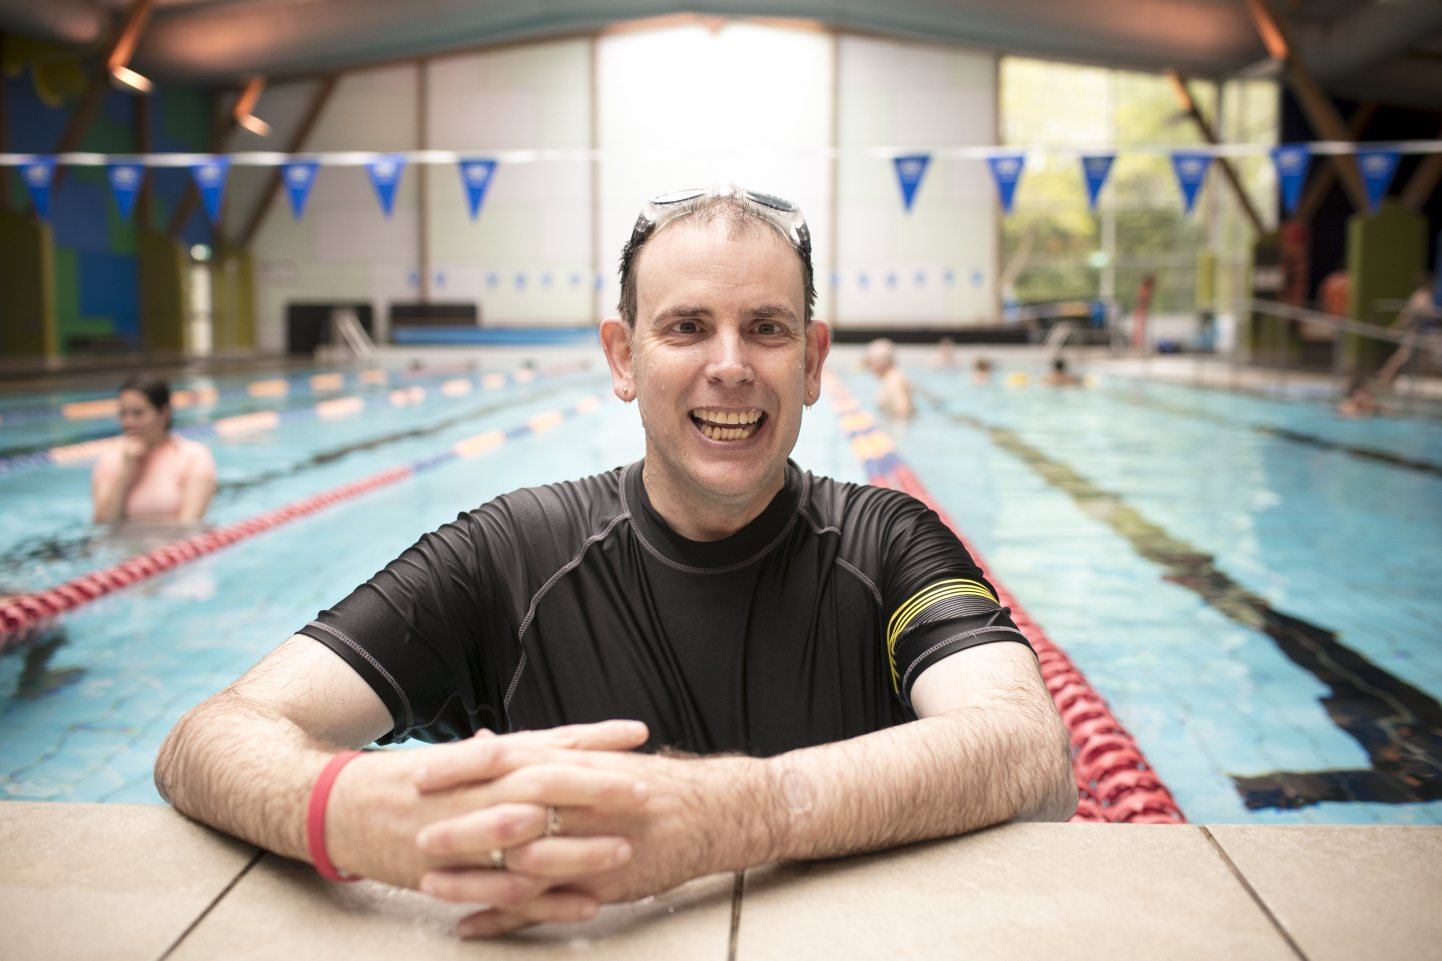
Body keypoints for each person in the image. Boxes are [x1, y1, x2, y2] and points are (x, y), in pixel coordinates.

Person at [154, 183, 1074, 939]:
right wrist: (347, 809)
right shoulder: (508, 554)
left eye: (766, 327)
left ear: (813, 361)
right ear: (622, 355)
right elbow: (211, 735)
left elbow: (1033, 751)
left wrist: (726, 815)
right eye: (685, 328)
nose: (730, 365)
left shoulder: (891, 542)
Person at [91, 374, 216, 524]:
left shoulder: (193, 456)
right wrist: (125, 471)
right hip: (124, 547)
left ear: (164, 413)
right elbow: (103, 524)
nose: (128, 422)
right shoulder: (112, 458)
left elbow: (189, 524)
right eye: (123, 414)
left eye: (138, 413)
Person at [862, 338, 915, 419]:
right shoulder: (891, 377)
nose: (868, 368)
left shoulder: (894, 380)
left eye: (869, 363)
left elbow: (903, 410)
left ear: (880, 363)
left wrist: (897, 430)